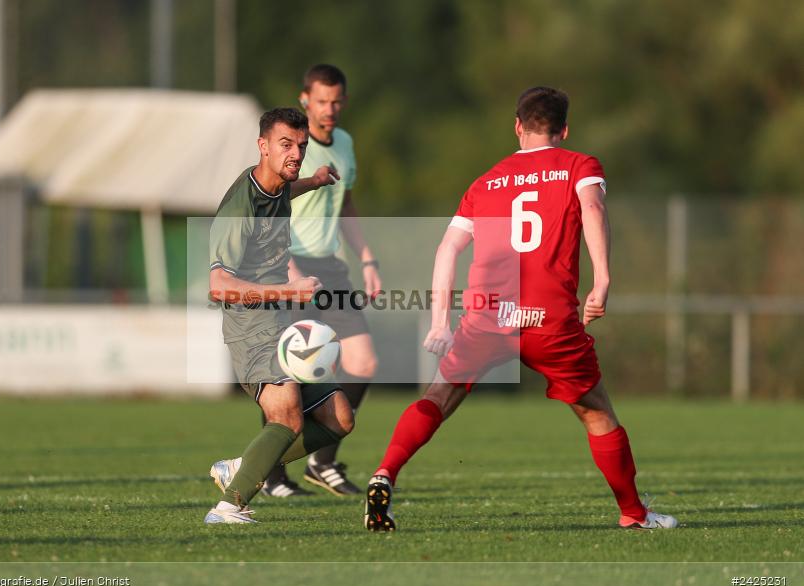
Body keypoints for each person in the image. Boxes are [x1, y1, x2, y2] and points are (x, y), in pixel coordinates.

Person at [363, 87, 678, 532]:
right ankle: (633, 513)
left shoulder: (485, 181)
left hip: (486, 315)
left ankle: (385, 473)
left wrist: (439, 321)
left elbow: (448, 249)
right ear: (564, 130)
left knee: (439, 395)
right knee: (597, 412)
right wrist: (603, 279)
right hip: (548, 318)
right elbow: (592, 206)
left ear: (517, 126)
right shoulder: (578, 166)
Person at [204, 107, 354, 524]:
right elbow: (218, 287)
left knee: (339, 417)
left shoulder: (277, 186)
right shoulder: (241, 208)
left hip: (280, 322)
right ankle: (229, 506)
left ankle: (244, 466)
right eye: (286, 145)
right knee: (286, 412)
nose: (295, 154)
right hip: (250, 325)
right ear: (263, 146)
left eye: (301, 147)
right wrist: (287, 290)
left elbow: (285, 192)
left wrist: (315, 181)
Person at [262, 64, 379, 498]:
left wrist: (368, 259)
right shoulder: (293, 147)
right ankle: (271, 475)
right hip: (287, 264)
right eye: (322, 100)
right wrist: (287, 267)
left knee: (363, 362)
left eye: (337, 101)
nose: (330, 109)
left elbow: (345, 204)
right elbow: (269, 206)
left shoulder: (344, 144)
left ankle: (321, 462)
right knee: (288, 375)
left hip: (331, 266)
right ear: (305, 99)